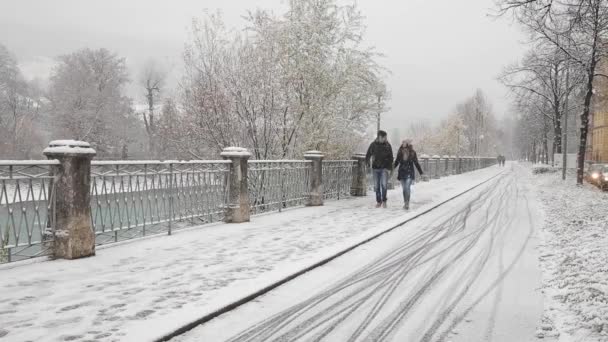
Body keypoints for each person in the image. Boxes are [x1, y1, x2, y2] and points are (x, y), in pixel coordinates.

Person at [365, 130, 394, 208]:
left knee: (384, 185)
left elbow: (391, 158)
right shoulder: (373, 145)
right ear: (379, 137)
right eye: (384, 137)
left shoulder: (388, 146)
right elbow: (368, 155)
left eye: (385, 137)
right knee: (376, 186)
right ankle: (379, 201)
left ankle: (384, 200)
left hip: (384, 168)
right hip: (375, 168)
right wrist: (367, 163)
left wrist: (389, 168)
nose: (385, 139)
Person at [393, 139, 423, 210]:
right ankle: (405, 202)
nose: (403, 143)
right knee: (404, 189)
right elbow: (397, 161)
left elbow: (416, 163)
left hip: (409, 172)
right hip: (402, 172)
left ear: (408, 144)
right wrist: (392, 169)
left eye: (405, 142)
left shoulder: (412, 152)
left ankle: (407, 203)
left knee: (407, 187)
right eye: (402, 142)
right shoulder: (400, 151)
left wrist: (421, 173)